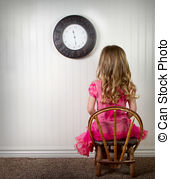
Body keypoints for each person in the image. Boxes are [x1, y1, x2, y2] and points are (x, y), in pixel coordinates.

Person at [75, 45, 148, 156]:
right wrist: (123, 118)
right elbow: (133, 109)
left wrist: (99, 118)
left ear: (103, 65)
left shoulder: (96, 85)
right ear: (124, 65)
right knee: (125, 129)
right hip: (123, 130)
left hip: (102, 130)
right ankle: (119, 151)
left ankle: (104, 152)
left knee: (94, 130)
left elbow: (90, 109)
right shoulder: (128, 86)